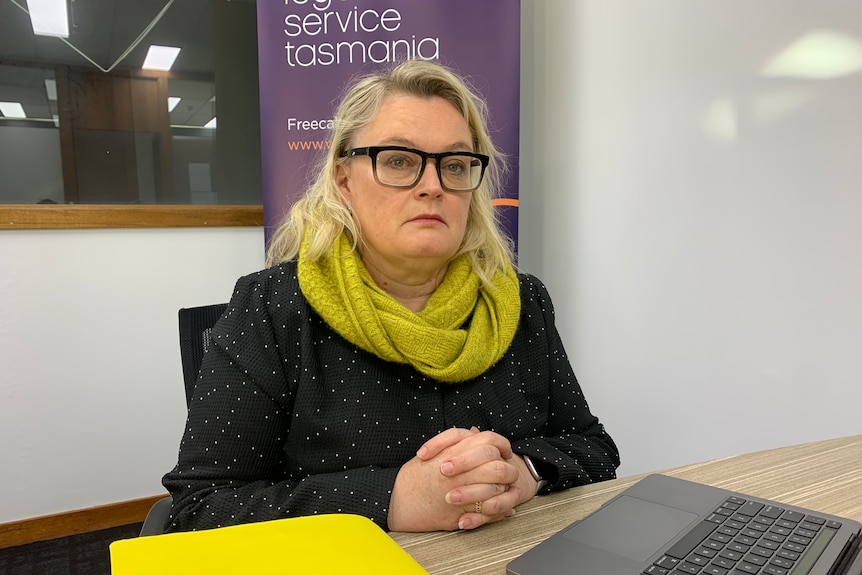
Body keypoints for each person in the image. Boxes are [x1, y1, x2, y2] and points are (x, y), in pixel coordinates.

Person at [162, 59, 619, 534]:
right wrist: (390, 499)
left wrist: (523, 472)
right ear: (344, 180)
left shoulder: (522, 302)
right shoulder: (271, 308)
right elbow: (200, 508)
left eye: (456, 164)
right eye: (399, 160)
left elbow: (593, 447)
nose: (433, 186)